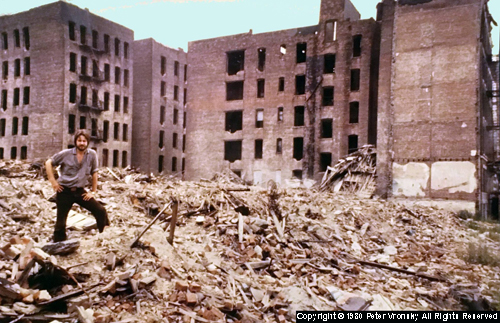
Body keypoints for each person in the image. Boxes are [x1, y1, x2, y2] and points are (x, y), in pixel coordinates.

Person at [45, 130, 110, 242]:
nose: (82, 143)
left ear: (87, 142)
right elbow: (48, 163)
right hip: (64, 191)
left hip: (80, 191)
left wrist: (93, 191)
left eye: (84, 141)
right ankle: (59, 246)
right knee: (61, 222)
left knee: (100, 210)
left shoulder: (92, 155)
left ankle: (104, 237)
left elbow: (94, 172)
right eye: (79, 140)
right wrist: (53, 181)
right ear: (75, 141)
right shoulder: (66, 154)